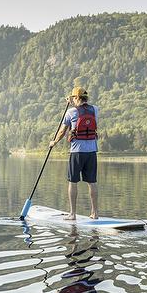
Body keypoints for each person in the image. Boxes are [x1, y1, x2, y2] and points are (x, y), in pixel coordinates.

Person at [49, 87, 99, 220]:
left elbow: (62, 131)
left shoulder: (70, 112)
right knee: (92, 182)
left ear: (76, 98)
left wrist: (54, 142)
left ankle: (73, 214)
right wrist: (73, 103)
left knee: (73, 181)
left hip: (77, 152)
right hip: (92, 151)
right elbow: (83, 111)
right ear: (86, 97)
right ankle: (95, 213)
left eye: (73, 97)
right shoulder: (95, 109)